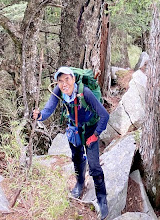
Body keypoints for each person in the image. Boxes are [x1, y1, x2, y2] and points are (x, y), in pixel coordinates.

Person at [33, 66, 109, 219]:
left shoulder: (85, 92)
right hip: (74, 129)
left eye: (67, 79)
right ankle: (80, 184)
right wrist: (39, 115)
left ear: (73, 79)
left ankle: (102, 198)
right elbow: (48, 110)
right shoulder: (58, 91)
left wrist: (95, 135)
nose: (64, 84)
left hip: (90, 129)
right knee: (77, 159)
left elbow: (104, 115)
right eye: (60, 81)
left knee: (94, 165)